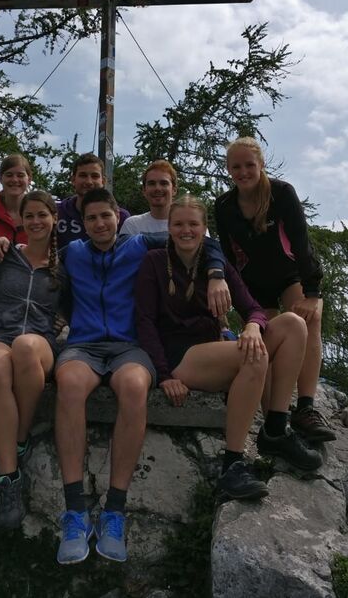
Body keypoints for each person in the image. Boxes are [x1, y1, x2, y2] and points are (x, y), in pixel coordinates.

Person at [52, 187, 230, 564]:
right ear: (83, 223)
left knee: (134, 386)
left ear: (118, 217)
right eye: (91, 218)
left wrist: (216, 274)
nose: (99, 223)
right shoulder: (72, 253)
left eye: (106, 216)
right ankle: (75, 511)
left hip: (129, 345)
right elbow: (36, 260)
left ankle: (114, 511)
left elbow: (199, 241)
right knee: (68, 384)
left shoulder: (139, 245)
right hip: (83, 345)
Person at [136, 196, 321, 502]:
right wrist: (164, 375)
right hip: (180, 355)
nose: (186, 230)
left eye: (193, 224)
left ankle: (275, 428)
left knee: (293, 324)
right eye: (178, 224)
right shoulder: (154, 262)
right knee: (254, 355)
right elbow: (144, 322)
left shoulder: (216, 263)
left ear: (203, 228)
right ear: (168, 228)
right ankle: (232, 465)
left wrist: (253, 326)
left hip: (214, 351)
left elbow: (253, 308)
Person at [215, 137, 336, 444]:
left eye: (249, 165)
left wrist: (313, 293)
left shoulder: (281, 194)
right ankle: (273, 420)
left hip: (289, 274)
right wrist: (238, 299)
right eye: (236, 167)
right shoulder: (225, 206)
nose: (243, 172)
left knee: (309, 320)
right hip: (253, 283)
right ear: (228, 169)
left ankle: (306, 407)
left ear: (262, 164)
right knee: (262, 345)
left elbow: (301, 243)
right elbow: (228, 257)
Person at [0, 191, 60, 529]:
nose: (36, 221)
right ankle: (9, 477)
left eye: (43, 215)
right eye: (30, 215)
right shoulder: (4, 254)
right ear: (20, 220)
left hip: (40, 342)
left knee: (24, 346)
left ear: (53, 218)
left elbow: (78, 303)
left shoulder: (64, 265)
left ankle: (19, 438)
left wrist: (64, 319)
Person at [56, 152, 130, 247]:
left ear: (103, 181)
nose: (89, 182)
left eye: (95, 176)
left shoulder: (121, 217)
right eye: (83, 175)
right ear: (73, 180)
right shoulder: (56, 212)